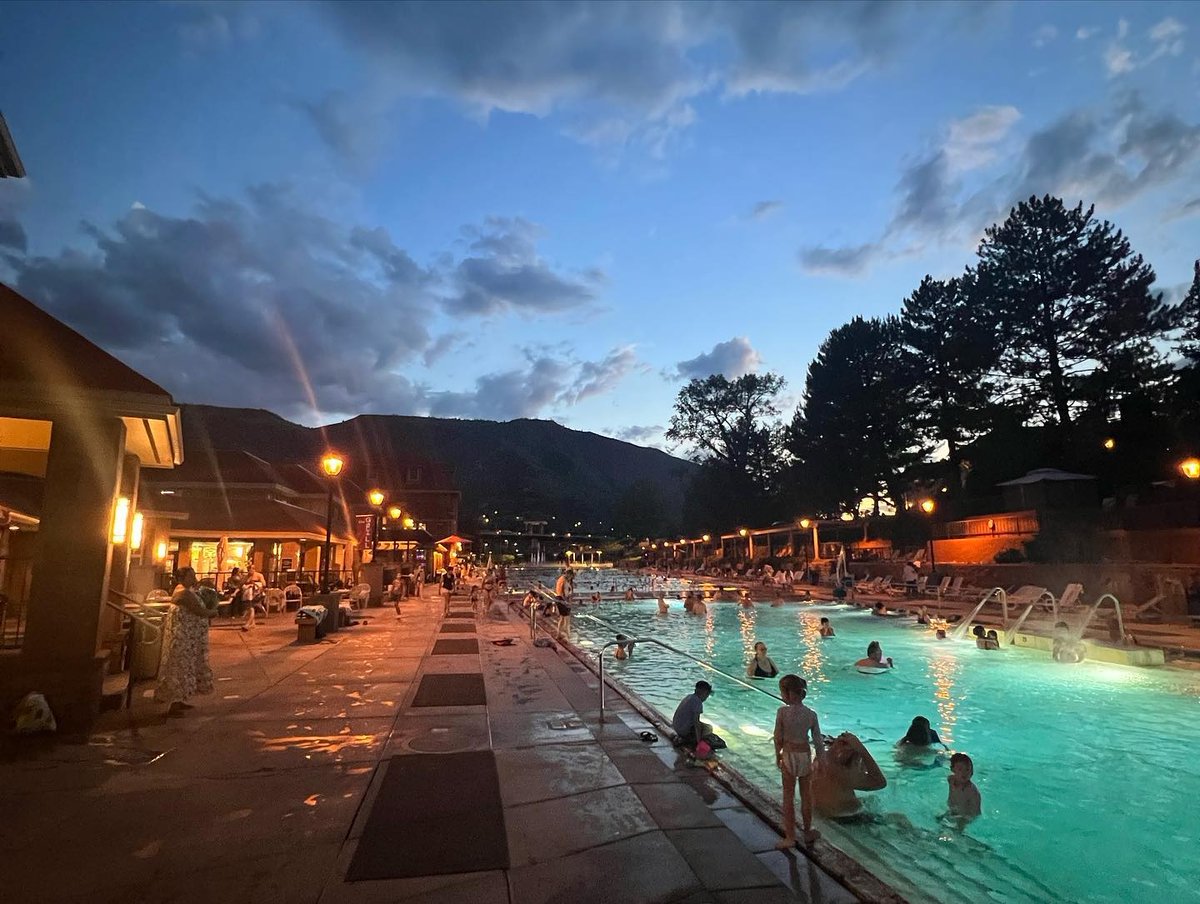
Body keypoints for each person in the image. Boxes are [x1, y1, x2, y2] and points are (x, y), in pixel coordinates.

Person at [154, 567, 217, 717]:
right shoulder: (183, 593)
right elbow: (198, 610)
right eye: (191, 576)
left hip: (186, 639)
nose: (194, 578)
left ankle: (179, 701)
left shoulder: (186, 591)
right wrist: (212, 612)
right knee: (178, 669)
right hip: (181, 639)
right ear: (182, 578)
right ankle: (173, 705)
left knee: (184, 669)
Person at [774, 674, 823, 848]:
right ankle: (807, 831)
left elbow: (778, 737)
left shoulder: (782, 712)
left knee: (788, 797)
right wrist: (820, 760)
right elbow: (818, 740)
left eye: (782, 692)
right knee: (806, 796)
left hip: (789, 755)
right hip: (804, 756)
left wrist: (778, 755)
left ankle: (790, 837)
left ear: (788, 693)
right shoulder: (811, 714)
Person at [811, 732, 887, 818]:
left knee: (870, 800)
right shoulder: (837, 771)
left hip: (832, 811)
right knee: (897, 818)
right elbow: (880, 782)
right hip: (846, 819)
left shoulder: (821, 758)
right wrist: (861, 749)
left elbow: (862, 771)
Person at [671, 680, 714, 749]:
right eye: (707, 695)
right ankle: (688, 741)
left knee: (703, 727)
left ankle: (684, 737)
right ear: (704, 693)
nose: (706, 698)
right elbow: (696, 723)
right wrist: (698, 741)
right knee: (708, 728)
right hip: (683, 731)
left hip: (676, 726)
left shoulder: (689, 696)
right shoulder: (697, 702)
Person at [947, 752, 982, 819]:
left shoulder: (971, 791)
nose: (964, 773)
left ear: (972, 771)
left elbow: (976, 813)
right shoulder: (951, 780)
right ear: (953, 770)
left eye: (967, 769)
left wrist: (966, 819)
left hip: (965, 817)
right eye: (960, 769)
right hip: (953, 811)